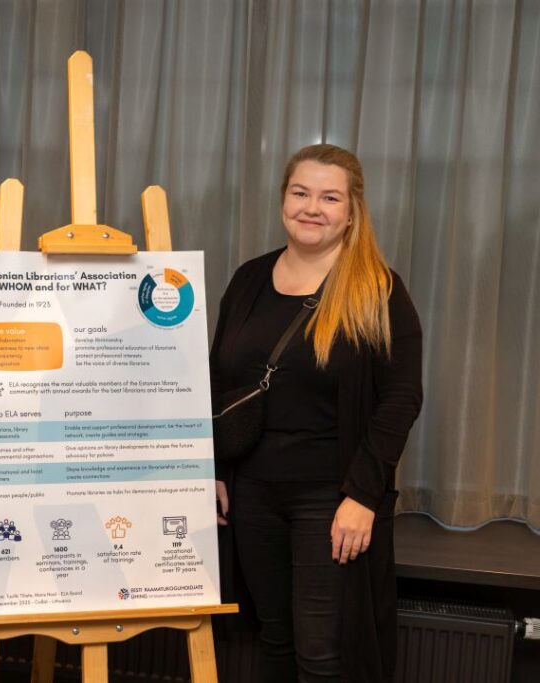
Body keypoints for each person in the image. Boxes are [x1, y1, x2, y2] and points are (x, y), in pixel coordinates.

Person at [210, 144, 423, 682]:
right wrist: (211, 469)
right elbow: (217, 381)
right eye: (300, 192)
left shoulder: (378, 290)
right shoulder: (248, 280)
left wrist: (363, 496)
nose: (312, 207)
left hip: (330, 499)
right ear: (283, 199)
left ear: (351, 212)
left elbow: (401, 399)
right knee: (275, 642)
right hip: (251, 494)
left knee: (322, 658)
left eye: (330, 198)